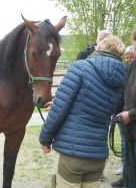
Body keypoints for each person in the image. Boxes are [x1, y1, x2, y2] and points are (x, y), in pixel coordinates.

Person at [39, 35, 127, 188]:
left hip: (71, 153)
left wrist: (45, 139)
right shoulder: (120, 80)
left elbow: (59, 110)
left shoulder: (80, 67)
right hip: (97, 155)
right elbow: (97, 106)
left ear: (98, 47)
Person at [111, 30, 136, 188]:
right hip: (129, 135)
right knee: (130, 178)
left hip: (131, 123)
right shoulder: (129, 68)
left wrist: (131, 115)